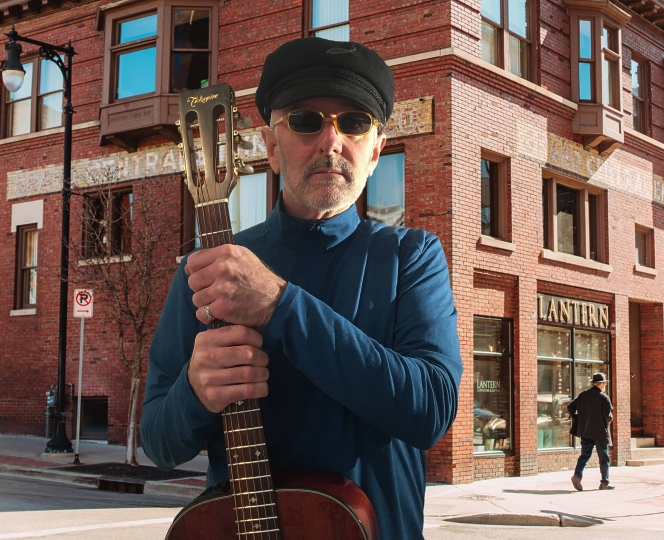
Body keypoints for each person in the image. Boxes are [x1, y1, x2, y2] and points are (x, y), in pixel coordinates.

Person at [141, 36, 463, 539]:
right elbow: (159, 444)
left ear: (376, 151)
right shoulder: (213, 267)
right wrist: (194, 392)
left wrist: (278, 303)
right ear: (271, 147)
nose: (331, 140)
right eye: (306, 120)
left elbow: (431, 411)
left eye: (354, 122)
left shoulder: (411, 256)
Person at [568, 372, 614, 491]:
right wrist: (606, 422)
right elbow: (608, 417)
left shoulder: (583, 395)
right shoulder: (604, 397)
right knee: (604, 458)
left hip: (586, 431)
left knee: (584, 455)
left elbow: (570, 407)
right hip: (600, 432)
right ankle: (604, 483)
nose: (605, 386)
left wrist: (577, 418)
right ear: (601, 384)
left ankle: (577, 475)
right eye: (605, 383)